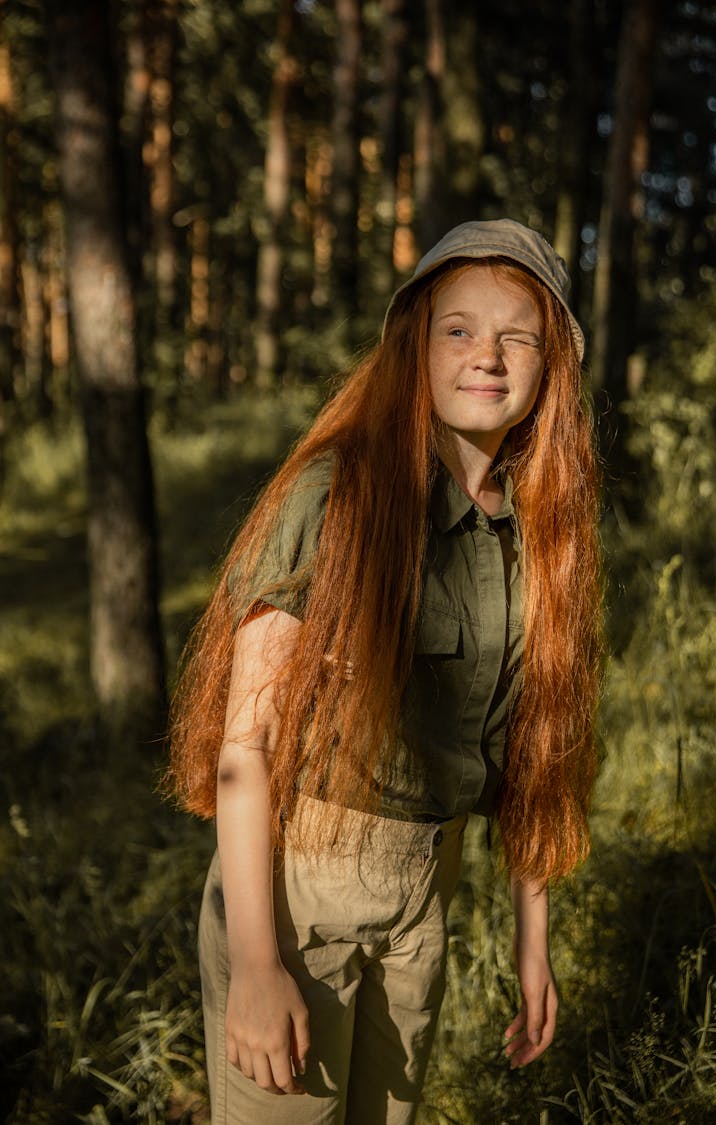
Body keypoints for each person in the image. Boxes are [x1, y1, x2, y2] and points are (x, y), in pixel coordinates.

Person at [166, 218, 603, 1125]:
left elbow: (537, 746)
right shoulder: (338, 493)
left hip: (423, 896)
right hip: (299, 890)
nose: (487, 354)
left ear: (549, 363)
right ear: (416, 343)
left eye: (517, 334)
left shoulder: (539, 536)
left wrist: (534, 939)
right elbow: (245, 744)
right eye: (459, 328)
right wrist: (256, 964)